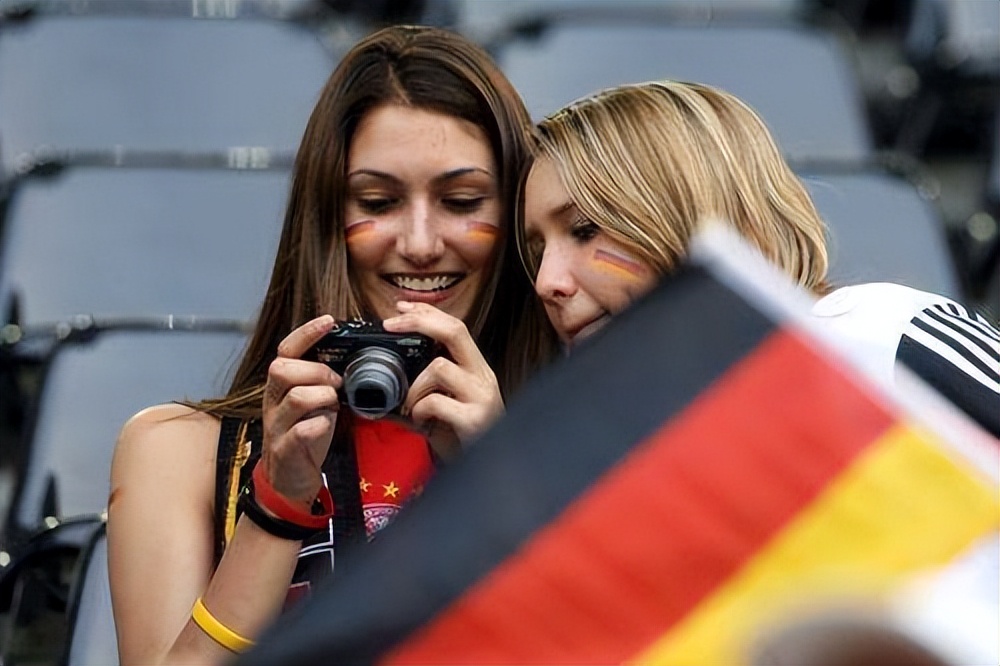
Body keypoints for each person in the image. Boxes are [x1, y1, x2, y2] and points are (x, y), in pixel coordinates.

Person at [107, 25, 555, 666]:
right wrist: (276, 506)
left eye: (461, 201)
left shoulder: (586, 438)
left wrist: (502, 481)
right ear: (327, 220)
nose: (422, 242)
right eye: (378, 200)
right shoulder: (177, 451)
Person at [517, 79, 1000, 438]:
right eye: (538, 251)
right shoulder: (628, 457)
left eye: (584, 229)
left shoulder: (877, 336)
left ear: (692, 215)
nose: (546, 282)